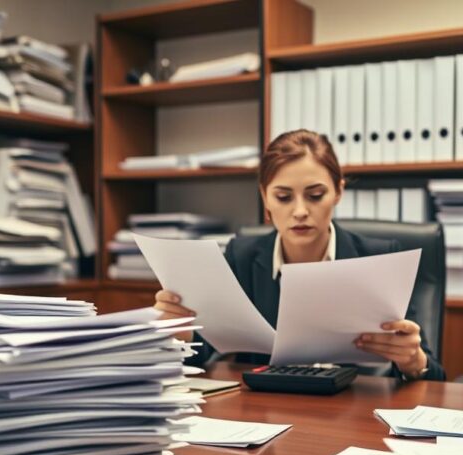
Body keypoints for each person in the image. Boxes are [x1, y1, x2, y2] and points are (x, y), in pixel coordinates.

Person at [153, 130, 446, 381]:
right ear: (265, 197)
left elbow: (434, 376)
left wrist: (412, 360)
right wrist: (182, 332)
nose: (300, 211)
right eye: (283, 197)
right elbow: (204, 353)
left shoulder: (380, 259)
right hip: (264, 415)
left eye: (315, 195)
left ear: (338, 192)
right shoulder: (241, 256)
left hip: (355, 416)